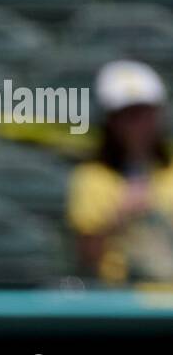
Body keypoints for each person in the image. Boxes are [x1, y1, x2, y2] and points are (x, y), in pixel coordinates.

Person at [68, 60, 173, 284]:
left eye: (146, 113)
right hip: (119, 298)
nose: (139, 124)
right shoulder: (91, 178)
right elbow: (87, 259)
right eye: (129, 115)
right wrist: (120, 218)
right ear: (111, 121)